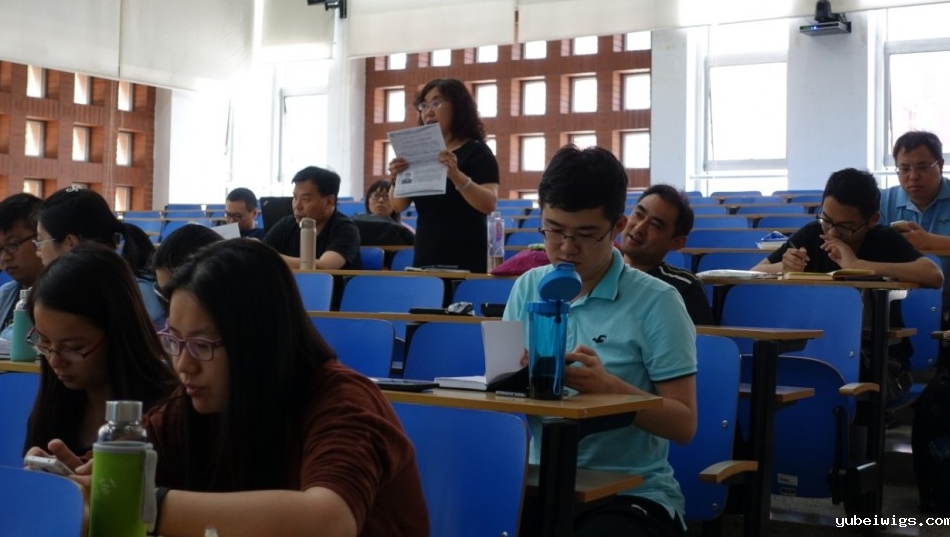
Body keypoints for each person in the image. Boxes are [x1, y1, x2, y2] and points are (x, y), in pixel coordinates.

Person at [46, 239, 429, 535]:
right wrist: (77, 486)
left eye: (202, 346)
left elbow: (329, 521)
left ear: (259, 342)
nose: (183, 365)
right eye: (174, 341)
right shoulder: (191, 407)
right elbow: (113, 484)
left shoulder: (344, 403)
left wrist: (145, 505)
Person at [503, 145, 696, 536]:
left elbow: (684, 423)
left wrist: (611, 389)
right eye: (554, 230)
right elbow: (501, 396)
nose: (566, 247)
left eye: (586, 234)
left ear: (617, 227)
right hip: (538, 480)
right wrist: (511, 379)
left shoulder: (657, 301)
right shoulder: (527, 287)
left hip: (631, 491)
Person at [752, 168, 944, 390]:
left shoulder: (883, 239)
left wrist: (859, 265)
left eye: (846, 227)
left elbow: (934, 275)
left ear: (872, 220)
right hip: (815, 349)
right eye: (826, 220)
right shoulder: (812, 234)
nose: (832, 233)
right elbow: (756, 271)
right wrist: (783, 267)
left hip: (879, 360)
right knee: (766, 368)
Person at [23, 244, 178, 458]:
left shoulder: (168, 415)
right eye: (45, 342)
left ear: (119, 335)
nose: (55, 361)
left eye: (74, 348)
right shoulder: (55, 404)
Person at [389, 78, 499, 272]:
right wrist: (396, 178)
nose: (428, 112)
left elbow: (488, 204)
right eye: (424, 106)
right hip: (426, 253)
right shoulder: (419, 152)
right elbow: (398, 205)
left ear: (458, 108)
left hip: (467, 255)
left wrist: (456, 175)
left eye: (436, 103)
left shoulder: (477, 151)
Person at [34, 186, 166, 329]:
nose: (37, 252)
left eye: (40, 241)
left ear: (70, 243)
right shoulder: (99, 282)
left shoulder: (123, 293)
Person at [879, 130, 950, 355]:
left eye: (922, 167)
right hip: (893, 302)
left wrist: (931, 241)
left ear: (940, 164)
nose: (913, 176)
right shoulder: (883, 201)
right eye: (904, 168)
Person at [621, 184, 713, 325]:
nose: (639, 228)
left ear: (677, 243)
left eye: (655, 225)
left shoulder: (684, 288)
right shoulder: (597, 272)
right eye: (638, 214)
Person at [263, 166, 362, 270]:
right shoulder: (286, 224)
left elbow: (324, 266)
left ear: (329, 202)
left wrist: (268, 257)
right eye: (295, 198)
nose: (297, 206)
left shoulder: (346, 229)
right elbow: (257, 255)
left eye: (305, 199)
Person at [0, 193, 44, 337]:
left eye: (12, 245)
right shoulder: (0, 298)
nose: (4, 257)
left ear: (41, 238)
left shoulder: (64, 300)